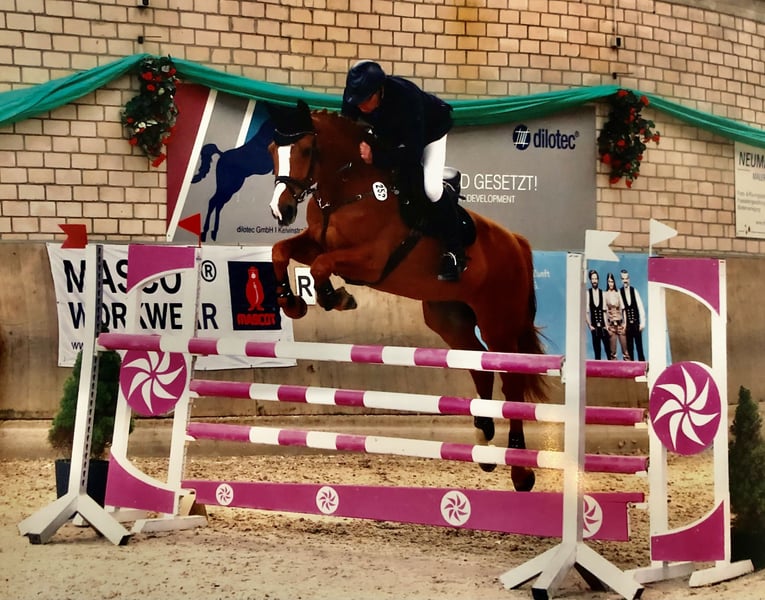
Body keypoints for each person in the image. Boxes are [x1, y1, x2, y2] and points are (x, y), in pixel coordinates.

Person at [341, 60, 466, 281]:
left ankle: (455, 252)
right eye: (356, 100)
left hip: (430, 133)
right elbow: (345, 129)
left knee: (431, 189)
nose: (360, 106)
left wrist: (376, 157)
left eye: (365, 100)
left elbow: (412, 153)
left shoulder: (406, 97)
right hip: (394, 135)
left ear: (379, 90)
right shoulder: (355, 97)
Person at [620, 269, 646, 361]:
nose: (625, 280)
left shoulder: (634, 291)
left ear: (629, 279)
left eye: (626, 278)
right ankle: (631, 367)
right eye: (623, 278)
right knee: (630, 349)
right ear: (621, 280)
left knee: (639, 348)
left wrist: (642, 323)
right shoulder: (620, 292)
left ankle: (643, 367)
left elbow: (640, 307)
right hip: (627, 327)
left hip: (636, 324)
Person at [604, 272, 629, 360]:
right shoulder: (605, 294)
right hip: (611, 326)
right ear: (607, 282)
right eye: (609, 282)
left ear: (614, 282)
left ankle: (628, 366)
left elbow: (623, 309)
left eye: (612, 281)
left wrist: (625, 324)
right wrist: (606, 325)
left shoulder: (618, 293)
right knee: (613, 354)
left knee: (626, 353)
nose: (610, 283)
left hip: (620, 324)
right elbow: (604, 311)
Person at [585, 269, 609, 360]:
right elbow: (586, 311)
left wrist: (606, 326)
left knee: (608, 350)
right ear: (590, 280)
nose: (594, 281)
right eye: (593, 279)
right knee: (597, 352)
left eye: (596, 279)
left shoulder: (602, 293)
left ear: (598, 280)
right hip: (594, 328)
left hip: (603, 327)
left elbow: (604, 311)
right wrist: (590, 326)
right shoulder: (588, 293)